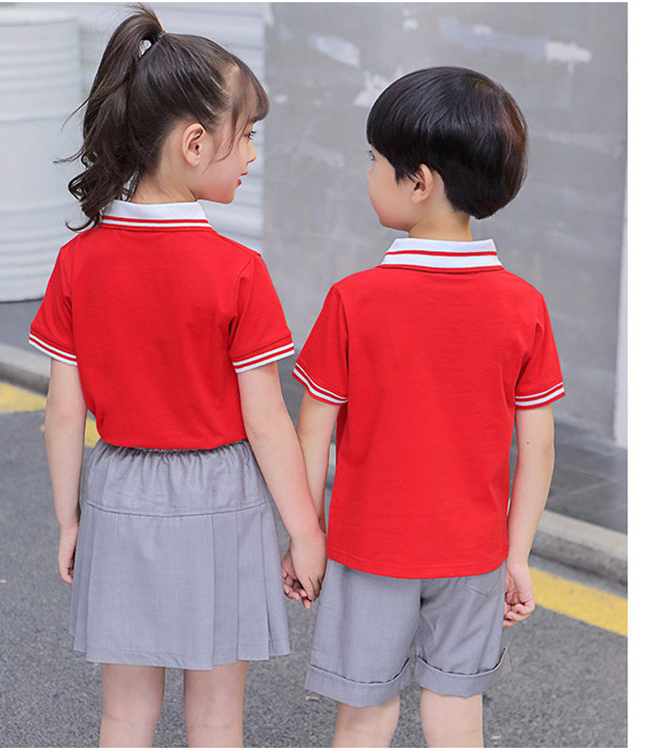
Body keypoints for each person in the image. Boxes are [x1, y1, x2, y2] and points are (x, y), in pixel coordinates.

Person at [29, 6, 325, 747]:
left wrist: (70, 519)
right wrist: (305, 530)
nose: (251, 154)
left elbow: (64, 413)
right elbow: (266, 420)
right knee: (217, 717)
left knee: (124, 714)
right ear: (195, 143)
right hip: (222, 497)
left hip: (120, 491)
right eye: (246, 135)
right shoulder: (238, 271)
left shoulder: (78, 262)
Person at [283, 66, 565, 747]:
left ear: (419, 183)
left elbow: (312, 433)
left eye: (375, 159)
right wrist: (516, 555)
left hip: (368, 549)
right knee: (455, 709)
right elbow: (539, 449)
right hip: (474, 553)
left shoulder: (354, 300)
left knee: (365, 713)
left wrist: (306, 538)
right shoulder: (523, 307)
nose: (368, 172)